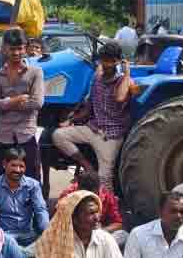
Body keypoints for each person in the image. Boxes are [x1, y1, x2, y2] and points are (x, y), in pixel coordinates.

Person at [52, 43, 135, 190]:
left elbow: (121, 97)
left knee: (104, 179)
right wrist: (71, 120)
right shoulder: (97, 79)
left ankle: (104, 207)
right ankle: (87, 167)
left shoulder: (123, 81)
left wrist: (127, 73)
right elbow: (89, 108)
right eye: (103, 60)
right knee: (59, 135)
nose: (106, 64)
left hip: (110, 136)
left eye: (110, 60)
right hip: (93, 128)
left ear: (117, 61)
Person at [0, 28, 45, 180]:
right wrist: (17, 100)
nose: (16, 53)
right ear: (5, 49)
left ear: (25, 48)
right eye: (12, 49)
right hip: (3, 135)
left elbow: (37, 102)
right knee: (4, 180)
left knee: (31, 179)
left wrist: (4, 103)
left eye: (19, 48)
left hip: (26, 134)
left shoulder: (35, 72)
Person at [0, 148, 49, 257]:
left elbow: (41, 210)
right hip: (4, 236)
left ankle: (16, 255)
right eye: (13, 165)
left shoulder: (33, 185)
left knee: (50, 239)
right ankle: (28, 255)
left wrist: (47, 231)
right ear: (4, 164)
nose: (18, 170)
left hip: (28, 234)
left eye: (21, 166)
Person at [57, 168, 126, 245]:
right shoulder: (68, 195)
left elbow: (118, 223)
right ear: (78, 188)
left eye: (92, 196)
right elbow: (59, 222)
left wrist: (101, 231)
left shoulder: (107, 196)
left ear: (98, 189)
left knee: (123, 235)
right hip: (74, 235)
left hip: (99, 235)